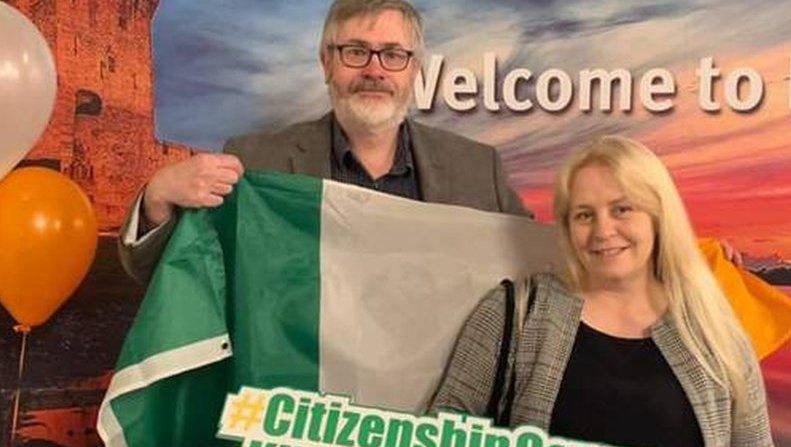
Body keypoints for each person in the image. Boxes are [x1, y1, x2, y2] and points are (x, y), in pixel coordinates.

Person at [425, 136, 777, 447]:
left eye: (622, 209)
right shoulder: (516, 311)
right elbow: (443, 436)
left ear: (658, 215)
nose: (603, 231)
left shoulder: (715, 330)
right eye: (584, 215)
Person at [118, 0, 529, 284]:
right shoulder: (256, 162)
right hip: (306, 399)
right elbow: (182, 277)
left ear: (414, 69)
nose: (374, 69)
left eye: (392, 54)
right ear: (326, 62)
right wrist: (156, 201)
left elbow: (534, 274)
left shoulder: (478, 169)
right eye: (355, 51)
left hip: (435, 400)